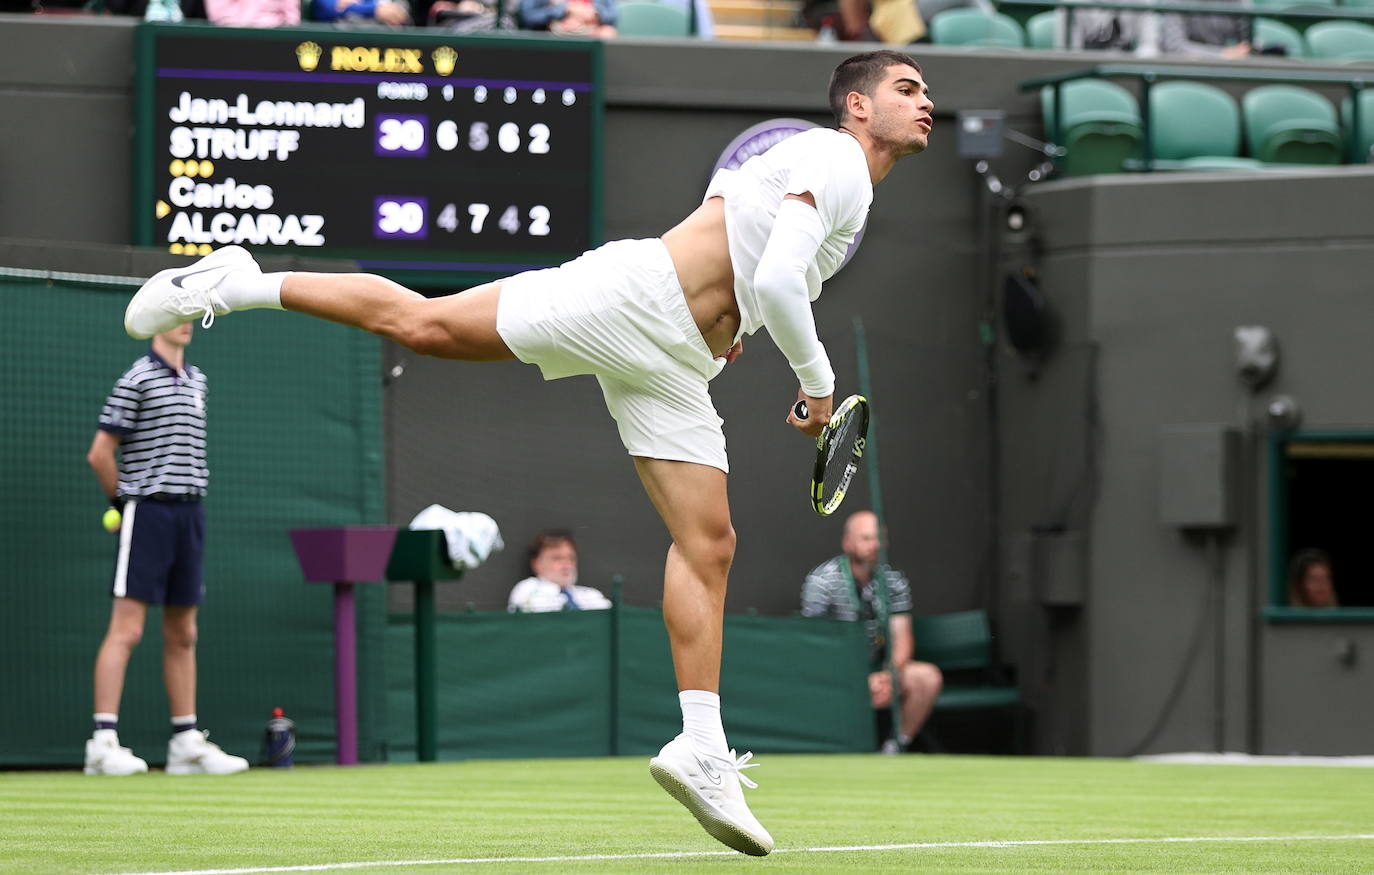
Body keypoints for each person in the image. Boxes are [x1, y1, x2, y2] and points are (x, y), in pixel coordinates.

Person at [121, 49, 933, 854]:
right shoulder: (836, 159)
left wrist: (736, 329)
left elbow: (760, 278)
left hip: (680, 359)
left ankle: (701, 746)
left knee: (709, 542)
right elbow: (784, 277)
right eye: (905, 87)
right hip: (635, 297)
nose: (924, 99)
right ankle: (237, 281)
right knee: (426, 325)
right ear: (857, 106)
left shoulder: (841, 192)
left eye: (925, 89)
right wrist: (818, 386)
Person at [84, 323, 250, 777]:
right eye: (178, 313)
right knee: (128, 629)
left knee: (184, 633)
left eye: (192, 314)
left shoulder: (198, 380)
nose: (188, 321)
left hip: (190, 514)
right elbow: (100, 453)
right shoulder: (136, 378)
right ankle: (102, 744)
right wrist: (122, 502)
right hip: (147, 513)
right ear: (156, 320)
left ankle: (185, 743)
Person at [801, 510, 942, 754]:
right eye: (866, 538)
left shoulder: (893, 581)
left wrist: (888, 676)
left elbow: (902, 637)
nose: (874, 545)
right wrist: (855, 678)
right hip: (834, 673)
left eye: (879, 539)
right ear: (848, 542)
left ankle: (894, 748)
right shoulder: (822, 581)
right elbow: (813, 643)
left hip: (878, 670)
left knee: (926, 677)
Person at [508, 529, 613, 612]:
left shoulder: (591, 595)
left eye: (571, 558)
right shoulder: (527, 590)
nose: (567, 564)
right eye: (557, 558)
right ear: (536, 564)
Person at [517, 0, 617, 38]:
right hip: (551, 34)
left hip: (590, 34)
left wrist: (594, 14)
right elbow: (528, 17)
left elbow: (612, 16)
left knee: (608, 33)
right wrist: (564, 9)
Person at [310, 0, 412, 27]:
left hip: (380, 51)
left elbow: (397, 13)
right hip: (339, 51)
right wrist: (374, 10)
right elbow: (326, 8)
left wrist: (353, 7)